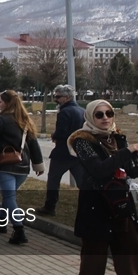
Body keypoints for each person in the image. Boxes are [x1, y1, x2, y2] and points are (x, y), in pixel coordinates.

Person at [68, 100, 138, 275]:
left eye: (109, 113)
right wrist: (125, 153)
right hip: (96, 205)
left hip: (120, 203)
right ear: (90, 117)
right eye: (99, 115)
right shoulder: (82, 140)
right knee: (94, 254)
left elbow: (123, 169)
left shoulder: (117, 137)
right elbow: (98, 169)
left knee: (131, 249)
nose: (105, 118)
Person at [0, 90, 45, 245]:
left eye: (0, 102)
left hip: (6, 164)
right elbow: (33, 144)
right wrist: (38, 164)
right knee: (9, 196)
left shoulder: (1, 120)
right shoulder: (25, 119)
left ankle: (19, 230)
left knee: (9, 197)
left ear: (7, 103)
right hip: (23, 165)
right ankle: (1, 223)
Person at [41, 84, 86, 215]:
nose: (55, 99)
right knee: (82, 183)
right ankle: (91, 205)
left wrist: (54, 136)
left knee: (53, 180)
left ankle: (50, 206)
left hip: (62, 153)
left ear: (67, 98)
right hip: (78, 153)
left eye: (58, 96)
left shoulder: (64, 112)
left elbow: (62, 132)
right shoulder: (82, 111)